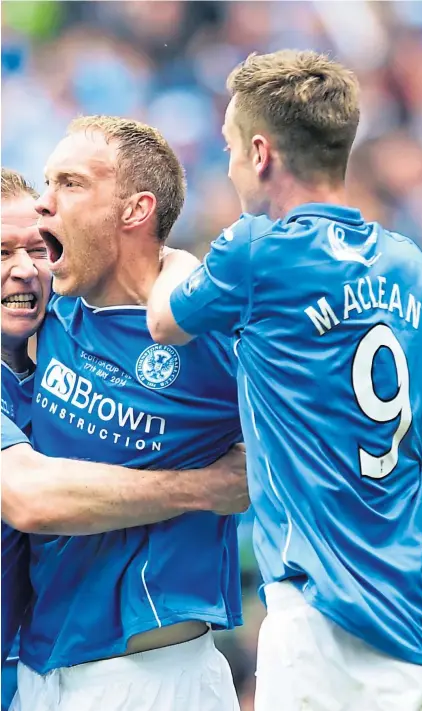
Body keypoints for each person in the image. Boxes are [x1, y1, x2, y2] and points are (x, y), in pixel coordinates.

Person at [147, 49, 422, 710]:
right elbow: (412, 440)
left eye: (226, 148)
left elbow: (164, 320)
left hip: (316, 619)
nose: (224, 166)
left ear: (260, 153)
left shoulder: (257, 248)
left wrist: (168, 259)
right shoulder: (413, 271)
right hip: (410, 630)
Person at [11, 116, 246, 711]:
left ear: (135, 209)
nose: (45, 204)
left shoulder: (217, 339)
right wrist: (205, 487)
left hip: (152, 677)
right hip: (40, 672)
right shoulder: (53, 319)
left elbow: (354, 425)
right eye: (46, 182)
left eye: (69, 183)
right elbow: (33, 499)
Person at [1, 168, 51, 711]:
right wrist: (205, 485)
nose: (23, 270)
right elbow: (30, 498)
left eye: (38, 250)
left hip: (38, 675)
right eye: (1, 252)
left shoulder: (65, 375)